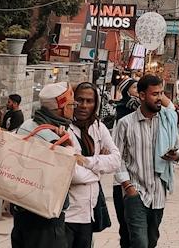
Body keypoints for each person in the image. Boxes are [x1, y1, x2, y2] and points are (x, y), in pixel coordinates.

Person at [113, 74, 179, 248]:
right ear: (142, 95)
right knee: (139, 243)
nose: (159, 98)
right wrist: (128, 187)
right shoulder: (125, 124)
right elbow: (117, 158)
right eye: (154, 94)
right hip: (136, 192)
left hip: (158, 194)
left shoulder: (167, 121)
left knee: (151, 241)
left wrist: (176, 155)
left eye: (161, 93)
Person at [10, 82, 75, 247]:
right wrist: (67, 147)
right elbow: (69, 174)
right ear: (62, 108)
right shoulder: (52, 137)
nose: (74, 108)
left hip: (21, 211)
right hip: (44, 218)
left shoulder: (26, 127)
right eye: (71, 104)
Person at [66, 82, 121, 248]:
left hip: (88, 213)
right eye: (79, 100)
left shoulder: (98, 127)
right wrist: (99, 170)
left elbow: (116, 160)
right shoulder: (64, 128)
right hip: (66, 213)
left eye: (89, 101)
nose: (84, 105)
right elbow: (72, 173)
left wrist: (87, 160)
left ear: (95, 104)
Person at [112, 77, 140, 248]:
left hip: (141, 178)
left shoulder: (144, 110)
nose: (138, 90)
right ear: (126, 90)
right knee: (126, 225)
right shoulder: (123, 110)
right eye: (135, 87)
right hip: (123, 177)